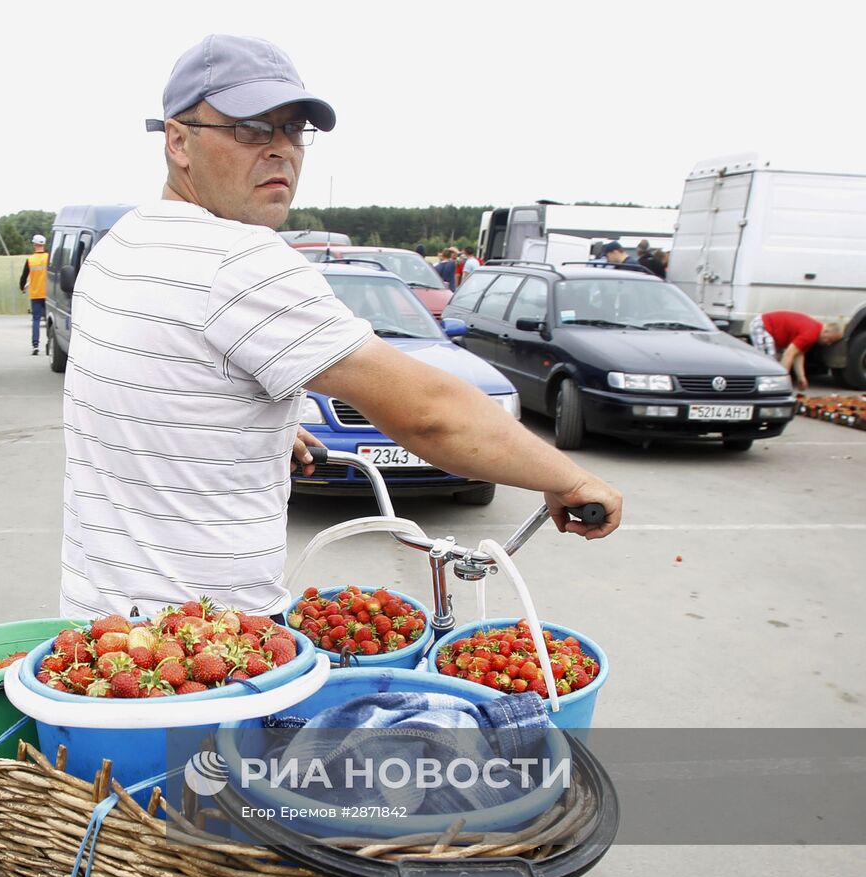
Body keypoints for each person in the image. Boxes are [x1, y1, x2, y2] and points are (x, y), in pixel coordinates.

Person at [59, 34, 622, 618]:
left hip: (94, 633)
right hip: (202, 651)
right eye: (251, 128)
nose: (282, 151)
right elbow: (429, 414)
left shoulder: (120, 245)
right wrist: (566, 477)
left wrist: (258, 432)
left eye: (294, 130)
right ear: (179, 140)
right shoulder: (241, 259)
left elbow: (150, 392)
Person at [749, 310, 845, 391]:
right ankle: (763, 388)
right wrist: (783, 379)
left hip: (769, 327)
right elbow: (789, 354)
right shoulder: (812, 333)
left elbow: (798, 355)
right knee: (769, 360)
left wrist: (801, 377)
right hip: (763, 325)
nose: (828, 343)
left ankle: (769, 387)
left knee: (774, 362)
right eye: (829, 340)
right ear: (826, 331)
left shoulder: (814, 331)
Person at [19, 234, 49, 355]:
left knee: (36, 320)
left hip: (36, 294)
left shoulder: (30, 260)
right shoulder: (48, 258)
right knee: (49, 321)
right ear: (43, 245)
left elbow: (23, 277)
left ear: (34, 245)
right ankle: (49, 343)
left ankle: (35, 346)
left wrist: (22, 288)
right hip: (48, 295)